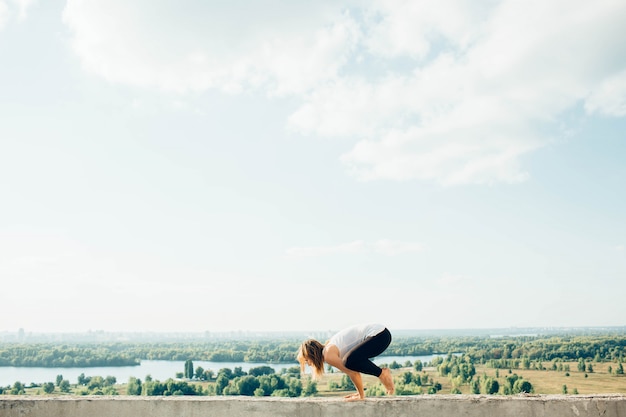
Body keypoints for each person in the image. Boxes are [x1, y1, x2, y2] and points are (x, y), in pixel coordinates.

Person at [297, 323, 395, 400]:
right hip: (382, 334)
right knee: (350, 362)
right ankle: (382, 374)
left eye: (307, 360)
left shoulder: (328, 355)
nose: (308, 364)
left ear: (313, 355)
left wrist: (361, 396)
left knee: (349, 362)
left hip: (379, 336)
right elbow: (353, 369)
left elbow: (353, 373)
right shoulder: (330, 349)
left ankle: (382, 373)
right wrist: (359, 392)